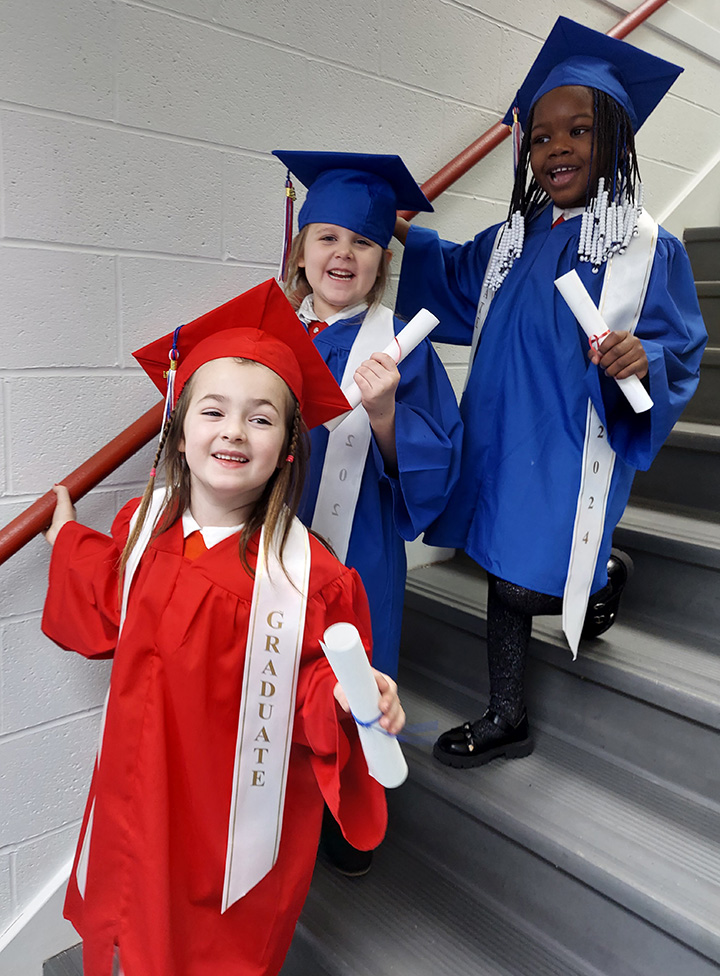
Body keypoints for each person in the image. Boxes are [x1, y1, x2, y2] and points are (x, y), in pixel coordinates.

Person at [41, 278, 405, 976]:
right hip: (135, 793)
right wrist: (64, 539)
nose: (235, 431)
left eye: (262, 418)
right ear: (179, 432)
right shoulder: (141, 532)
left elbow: (313, 684)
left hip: (222, 819)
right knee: (128, 923)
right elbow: (106, 589)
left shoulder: (312, 579)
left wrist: (345, 699)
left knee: (209, 947)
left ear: (289, 447)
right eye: (213, 411)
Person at [394, 17, 707, 769]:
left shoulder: (643, 244)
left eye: (578, 130)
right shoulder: (514, 237)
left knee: (528, 579)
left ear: (617, 142)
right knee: (502, 573)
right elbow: (454, 282)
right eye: (540, 137)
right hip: (504, 429)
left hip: (572, 437)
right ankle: (508, 714)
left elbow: (679, 344)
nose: (555, 148)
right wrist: (395, 231)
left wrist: (643, 358)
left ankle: (602, 577)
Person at [272, 150, 463, 681]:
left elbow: (436, 465)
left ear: (382, 260)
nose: (344, 253)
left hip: (360, 546)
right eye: (328, 237)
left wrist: (384, 415)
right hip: (266, 537)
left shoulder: (403, 347)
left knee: (350, 688)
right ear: (302, 247)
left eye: (363, 242)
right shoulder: (268, 331)